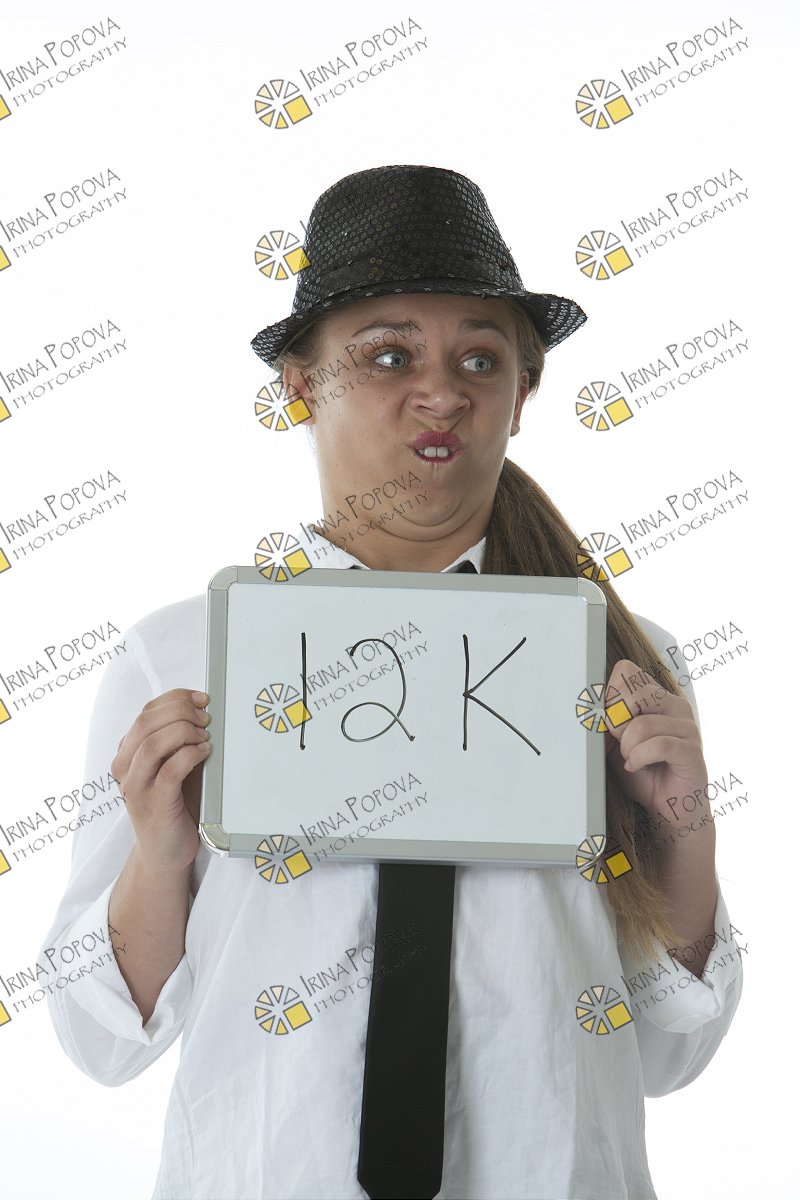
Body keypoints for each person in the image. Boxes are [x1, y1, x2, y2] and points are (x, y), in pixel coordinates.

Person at [41, 164, 743, 1200]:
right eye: (386, 355)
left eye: (480, 358)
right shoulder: (182, 656)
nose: (442, 392)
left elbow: (671, 1052)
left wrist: (684, 829)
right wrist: (160, 850)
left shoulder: (623, 662)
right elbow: (100, 1041)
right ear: (299, 386)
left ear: (522, 393)